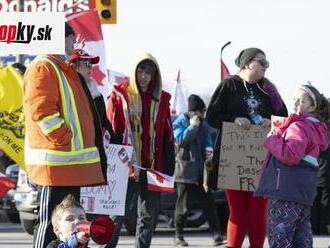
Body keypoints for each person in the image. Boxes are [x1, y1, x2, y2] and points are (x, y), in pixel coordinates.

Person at [23, 23, 107, 248]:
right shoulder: (44, 66)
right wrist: (63, 139)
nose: (74, 43)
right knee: (51, 225)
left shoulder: (63, 69)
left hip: (69, 165)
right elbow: (41, 110)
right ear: (62, 38)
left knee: (71, 226)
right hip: (54, 165)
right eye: (72, 38)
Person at [206, 47, 288, 248]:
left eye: (267, 63)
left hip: (263, 160)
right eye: (262, 62)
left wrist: (272, 122)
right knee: (238, 211)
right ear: (247, 63)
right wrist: (234, 119)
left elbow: (284, 119)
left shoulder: (269, 90)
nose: (265, 67)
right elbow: (212, 117)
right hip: (233, 159)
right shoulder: (228, 86)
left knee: (259, 212)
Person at [106, 53, 175, 248]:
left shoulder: (162, 99)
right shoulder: (120, 95)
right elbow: (112, 131)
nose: (144, 76)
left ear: (155, 75)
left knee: (147, 216)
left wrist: (168, 167)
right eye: (140, 70)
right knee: (116, 214)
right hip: (126, 166)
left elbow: (167, 134)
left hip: (153, 168)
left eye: (149, 72)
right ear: (133, 71)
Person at [255, 84, 330, 247]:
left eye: (301, 101)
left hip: (285, 191)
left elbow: (290, 156)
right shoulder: (316, 128)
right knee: (301, 239)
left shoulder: (298, 126)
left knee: (280, 239)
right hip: (303, 193)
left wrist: (272, 139)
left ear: (312, 106)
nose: (296, 104)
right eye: (294, 99)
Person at [173, 94, 225, 247]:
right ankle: (178, 236)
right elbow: (181, 141)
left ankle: (216, 235)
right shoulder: (181, 121)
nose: (203, 115)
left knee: (209, 204)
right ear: (194, 112)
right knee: (183, 207)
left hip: (201, 173)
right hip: (185, 172)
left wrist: (209, 148)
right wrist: (192, 127)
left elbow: (208, 137)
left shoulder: (203, 123)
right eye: (201, 112)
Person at [67, 49, 122, 145]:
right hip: (73, 152)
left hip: (95, 152)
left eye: (90, 64)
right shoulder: (66, 92)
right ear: (73, 66)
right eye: (86, 64)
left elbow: (104, 121)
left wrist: (115, 139)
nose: (90, 68)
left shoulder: (97, 95)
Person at [311, 147, 330, 235]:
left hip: (316, 177)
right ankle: (323, 232)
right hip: (324, 178)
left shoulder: (318, 137)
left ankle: (315, 232)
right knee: (324, 208)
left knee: (315, 207)